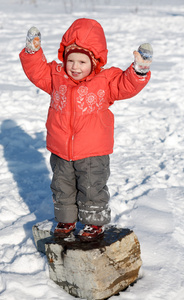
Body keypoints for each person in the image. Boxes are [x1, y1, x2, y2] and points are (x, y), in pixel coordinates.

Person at [19, 18, 153, 242]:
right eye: (71, 60)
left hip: (93, 151)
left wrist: (138, 70)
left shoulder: (105, 81)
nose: (75, 67)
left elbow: (125, 85)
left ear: (95, 61)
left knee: (92, 188)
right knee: (62, 187)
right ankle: (66, 220)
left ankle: (93, 224)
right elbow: (37, 72)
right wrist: (33, 53)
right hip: (61, 149)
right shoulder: (57, 77)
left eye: (82, 61)